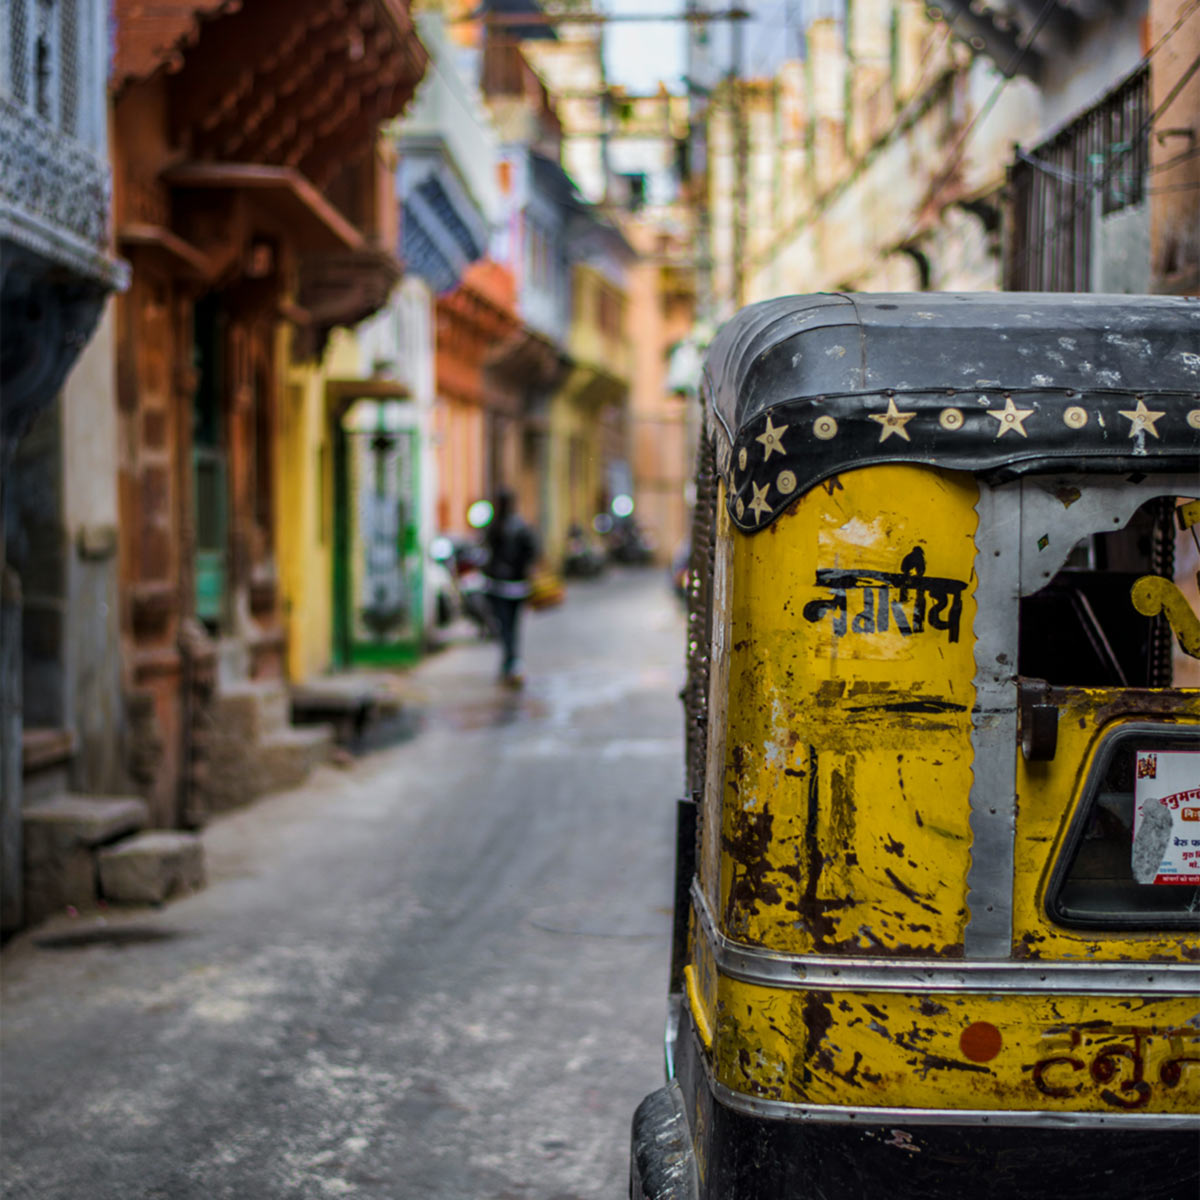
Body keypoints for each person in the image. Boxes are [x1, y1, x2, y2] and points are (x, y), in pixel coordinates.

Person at [482, 490, 539, 687]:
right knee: (512, 627)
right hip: (516, 587)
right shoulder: (519, 526)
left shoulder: (495, 526)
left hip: (500, 587)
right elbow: (532, 552)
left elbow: (486, 553)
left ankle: (510, 662)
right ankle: (511, 662)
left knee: (505, 627)